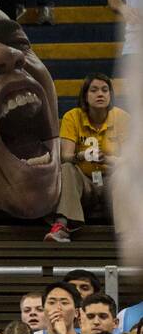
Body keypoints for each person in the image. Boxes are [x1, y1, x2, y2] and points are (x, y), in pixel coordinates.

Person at [47, 74, 125, 243]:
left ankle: (127, 233)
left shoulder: (122, 118)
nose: (100, 94)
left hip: (112, 186)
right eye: (94, 90)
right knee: (66, 168)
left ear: (111, 95)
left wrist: (108, 159)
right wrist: (80, 156)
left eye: (105, 90)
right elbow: (65, 157)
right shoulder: (72, 117)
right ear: (85, 96)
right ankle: (62, 227)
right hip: (84, 186)